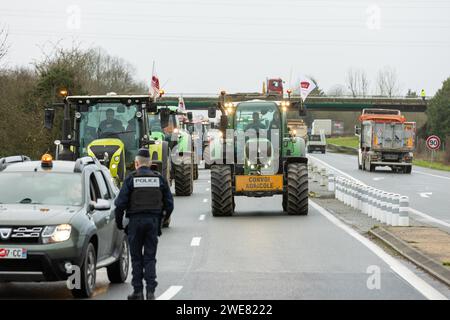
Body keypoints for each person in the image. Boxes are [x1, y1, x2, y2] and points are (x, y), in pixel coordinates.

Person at [114, 148, 174, 300]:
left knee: (136, 258)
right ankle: (151, 292)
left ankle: (138, 291)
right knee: (149, 257)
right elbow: (169, 204)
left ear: (136, 163)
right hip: (153, 222)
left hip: (135, 222)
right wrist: (162, 219)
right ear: (151, 163)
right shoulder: (159, 178)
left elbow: (120, 203)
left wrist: (119, 222)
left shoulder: (130, 179)